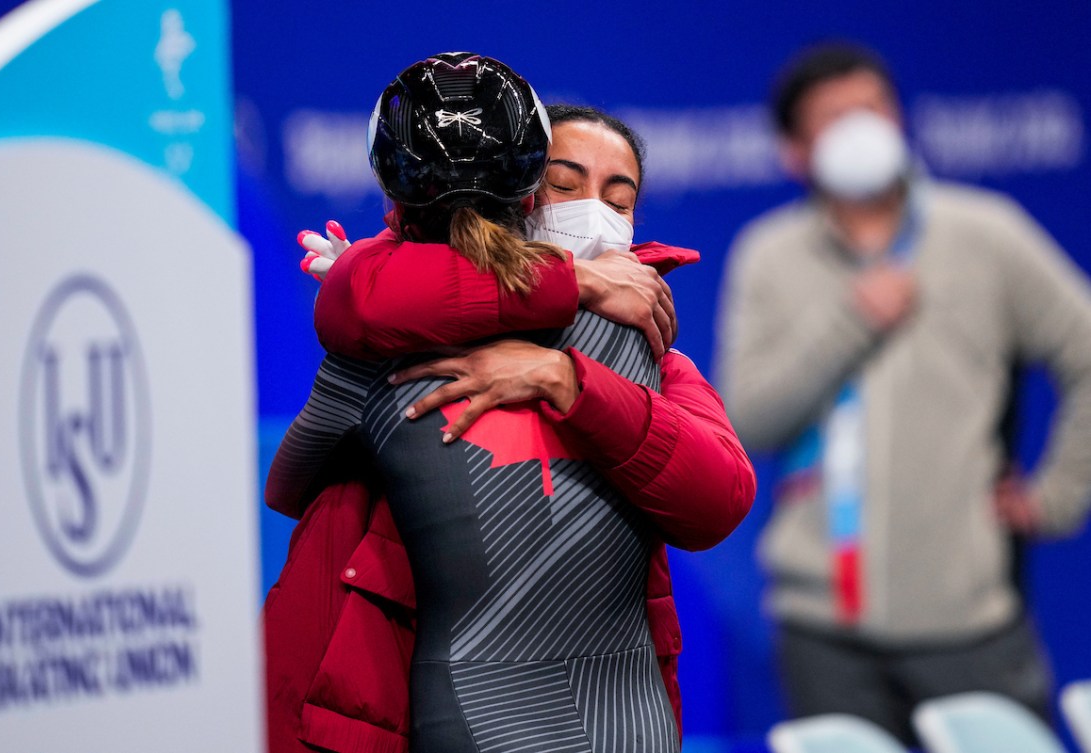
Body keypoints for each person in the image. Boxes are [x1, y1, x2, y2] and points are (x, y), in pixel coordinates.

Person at [266, 54, 754, 753]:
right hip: (449, 702)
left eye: (618, 201)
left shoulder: (647, 344)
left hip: (618, 713)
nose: (593, 214)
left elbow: (719, 499)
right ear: (517, 189)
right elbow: (364, 298)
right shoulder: (377, 314)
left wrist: (567, 379)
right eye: (565, 184)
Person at [715, 40, 1091, 743]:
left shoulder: (985, 233)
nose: (862, 130)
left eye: (873, 109)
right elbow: (747, 419)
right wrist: (852, 320)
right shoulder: (768, 255)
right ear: (793, 151)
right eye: (835, 118)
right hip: (821, 625)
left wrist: (1057, 497)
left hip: (967, 618)